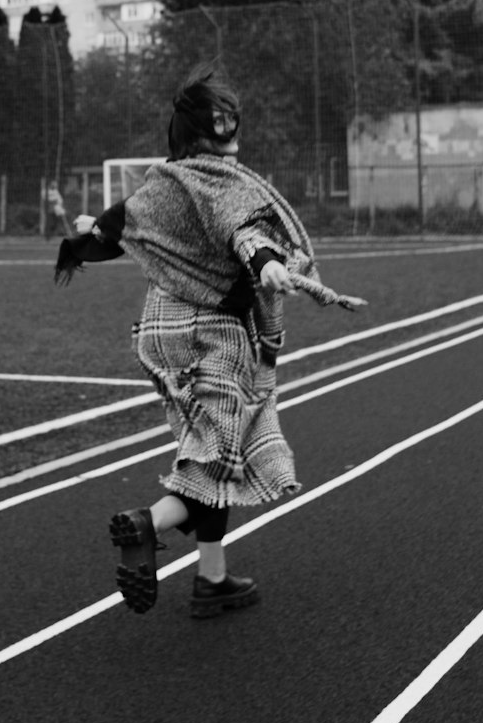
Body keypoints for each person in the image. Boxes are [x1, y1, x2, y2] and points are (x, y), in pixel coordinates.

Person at [55, 66, 367, 619]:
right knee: (219, 459)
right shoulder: (222, 184)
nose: (230, 127)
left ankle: (212, 577)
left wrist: (84, 238)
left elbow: (116, 229)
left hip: (160, 333)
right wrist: (268, 263)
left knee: (211, 450)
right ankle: (146, 526)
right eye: (221, 118)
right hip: (212, 332)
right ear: (204, 130)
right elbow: (242, 230)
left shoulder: (162, 183)